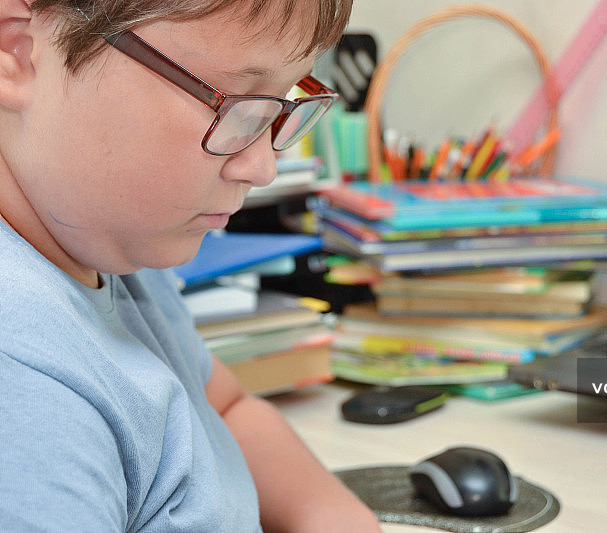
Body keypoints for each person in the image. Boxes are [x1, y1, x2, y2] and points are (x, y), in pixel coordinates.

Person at [0, 0, 383, 531]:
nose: (265, 166)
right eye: (237, 105)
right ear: (15, 49)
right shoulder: (23, 390)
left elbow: (221, 406)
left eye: (284, 103)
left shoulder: (106, 247)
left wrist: (332, 516)